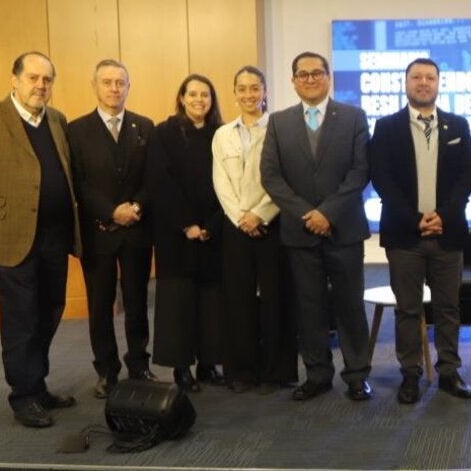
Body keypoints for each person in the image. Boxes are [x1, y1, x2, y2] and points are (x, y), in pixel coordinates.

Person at [0, 51, 81, 428]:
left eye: (47, 80)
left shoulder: (57, 120)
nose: (40, 86)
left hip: (54, 237)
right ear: (14, 79)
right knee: (21, 317)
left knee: (49, 310)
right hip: (10, 240)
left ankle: (37, 385)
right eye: (33, 78)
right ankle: (23, 396)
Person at [260, 52, 373, 402]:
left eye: (316, 73)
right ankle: (318, 374)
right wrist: (308, 214)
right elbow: (271, 177)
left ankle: (357, 375)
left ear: (328, 77)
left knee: (350, 306)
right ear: (293, 81)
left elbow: (360, 171)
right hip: (300, 232)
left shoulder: (353, 117)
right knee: (309, 308)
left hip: (344, 230)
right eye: (303, 74)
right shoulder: (279, 122)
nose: (310, 79)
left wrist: (328, 214)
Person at [369, 58, 471, 404]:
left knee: (448, 308)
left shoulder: (457, 125)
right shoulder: (386, 127)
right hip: (405, 235)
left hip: (448, 233)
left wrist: (442, 215)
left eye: (430, 77)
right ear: (405, 83)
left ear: (438, 83)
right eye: (416, 77)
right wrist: (415, 219)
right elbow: (381, 178)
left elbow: (468, 175)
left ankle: (449, 372)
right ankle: (410, 374)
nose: (423, 82)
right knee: (407, 309)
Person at [66, 59, 157, 399]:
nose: (114, 88)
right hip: (98, 232)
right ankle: (107, 371)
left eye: (120, 82)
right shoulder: (76, 131)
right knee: (100, 305)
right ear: (95, 86)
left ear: (129, 87)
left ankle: (139, 365)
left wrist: (136, 207)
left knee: (137, 302)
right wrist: (111, 211)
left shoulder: (144, 127)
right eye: (107, 82)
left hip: (136, 230)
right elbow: (78, 182)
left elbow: (152, 177)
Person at [214, 66, 297, 394]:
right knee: (238, 300)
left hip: (272, 224)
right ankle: (242, 371)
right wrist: (241, 217)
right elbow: (221, 182)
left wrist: (260, 214)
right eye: (242, 89)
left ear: (265, 92)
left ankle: (275, 372)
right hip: (236, 226)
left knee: (275, 298)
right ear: (234, 93)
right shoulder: (222, 134)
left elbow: (284, 180)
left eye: (255, 88)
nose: (248, 95)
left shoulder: (280, 130)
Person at [147, 74, 226, 393]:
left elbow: (229, 182)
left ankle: (209, 363)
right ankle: (181, 369)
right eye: (192, 94)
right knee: (178, 303)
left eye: (205, 95)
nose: (199, 100)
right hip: (175, 233)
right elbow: (159, 182)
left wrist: (211, 225)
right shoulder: (163, 133)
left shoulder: (222, 134)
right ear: (181, 98)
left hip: (213, 231)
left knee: (212, 302)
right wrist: (187, 225)